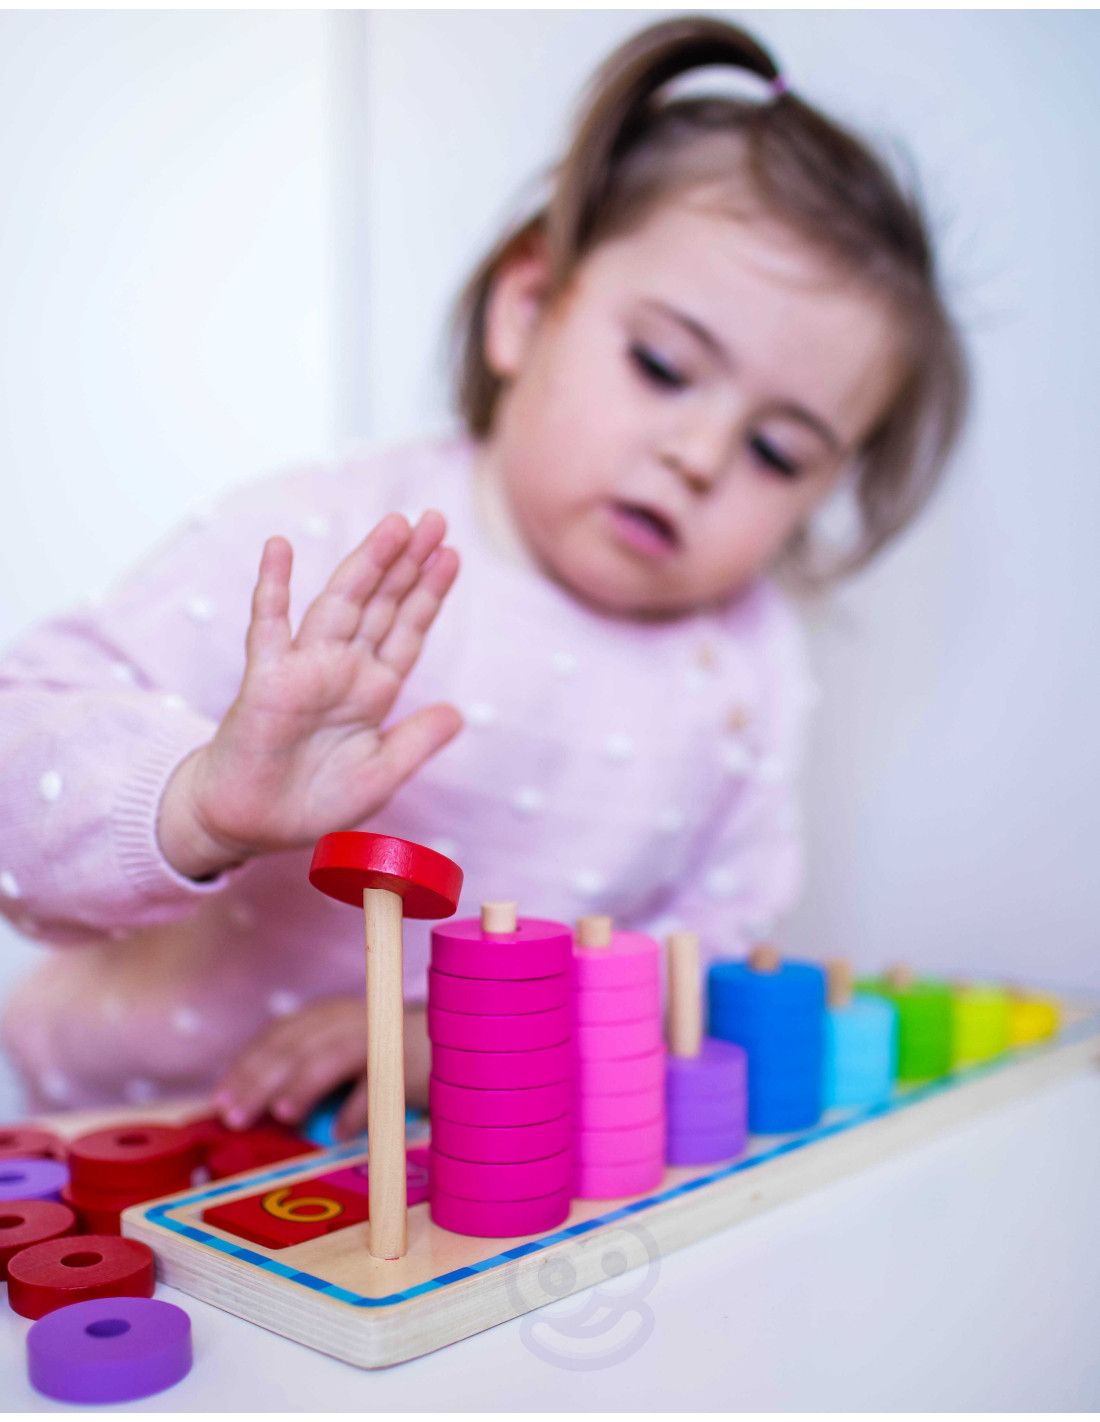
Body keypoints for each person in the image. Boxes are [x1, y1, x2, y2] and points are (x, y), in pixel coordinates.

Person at [0, 16, 967, 1138]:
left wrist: (470, 1028)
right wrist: (195, 802)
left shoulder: (743, 661)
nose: (699, 457)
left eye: (776, 453)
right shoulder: (339, 543)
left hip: (419, 1194)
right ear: (525, 310)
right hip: (104, 1141)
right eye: (660, 366)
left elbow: (703, 951)